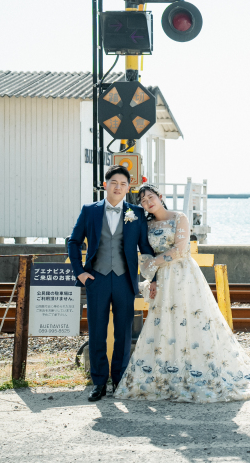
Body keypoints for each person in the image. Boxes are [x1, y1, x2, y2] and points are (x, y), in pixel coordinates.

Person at [114, 183, 250, 403]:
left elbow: (179, 249)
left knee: (193, 320)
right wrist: (153, 276)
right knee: (166, 323)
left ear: (160, 196)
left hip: (184, 277)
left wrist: (155, 263)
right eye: (143, 200)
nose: (148, 202)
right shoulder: (146, 225)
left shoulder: (180, 218)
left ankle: (198, 370)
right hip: (164, 281)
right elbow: (144, 252)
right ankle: (168, 372)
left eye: (151, 197)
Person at [68, 165, 156, 402]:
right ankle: (98, 383)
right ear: (105, 184)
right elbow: (73, 241)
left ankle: (119, 380)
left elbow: (145, 248)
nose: (118, 187)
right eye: (114, 183)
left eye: (123, 184)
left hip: (125, 280)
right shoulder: (90, 211)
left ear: (128, 188)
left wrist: (153, 277)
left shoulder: (136, 213)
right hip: (96, 279)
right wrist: (80, 273)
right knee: (97, 332)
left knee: (123, 334)